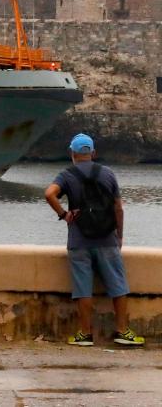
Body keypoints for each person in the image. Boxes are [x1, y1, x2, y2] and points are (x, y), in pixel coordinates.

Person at [44, 133, 144, 347]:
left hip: (79, 241)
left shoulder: (67, 175)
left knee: (83, 288)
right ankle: (122, 331)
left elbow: (49, 194)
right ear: (93, 153)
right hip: (107, 239)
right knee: (118, 286)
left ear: (72, 153)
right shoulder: (107, 174)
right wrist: (119, 235)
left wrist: (64, 214)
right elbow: (118, 208)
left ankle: (85, 335)